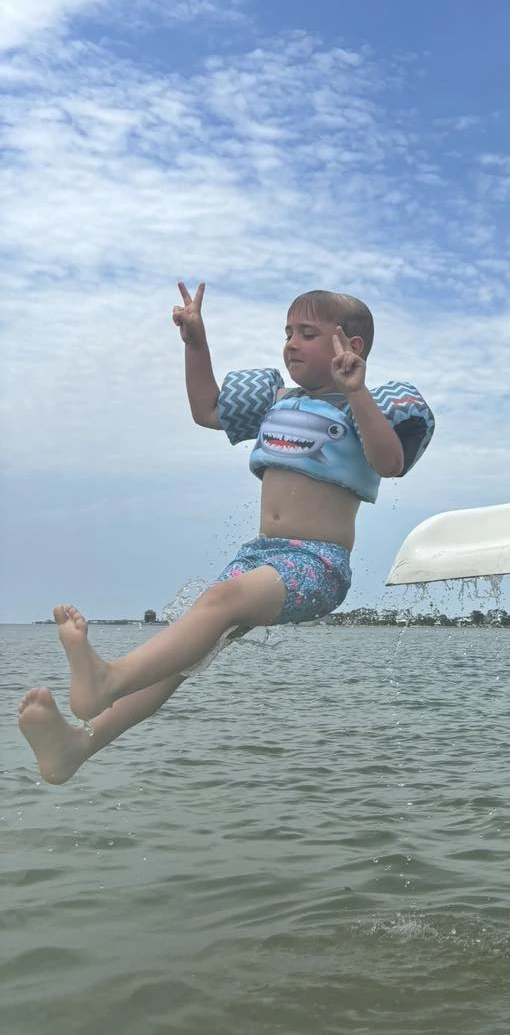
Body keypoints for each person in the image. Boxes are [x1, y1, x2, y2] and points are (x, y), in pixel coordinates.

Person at [18, 284, 434, 784]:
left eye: (308, 333)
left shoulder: (365, 409)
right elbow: (206, 410)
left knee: (219, 599)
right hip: (259, 555)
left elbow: (391, 463)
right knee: (181, 656)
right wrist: (196, 342)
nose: (291, 343)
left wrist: (357, 391)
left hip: (317, 565)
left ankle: (108, 678)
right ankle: (77, 747)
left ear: (353, 346)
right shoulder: (274, 400)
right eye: (287, 333)